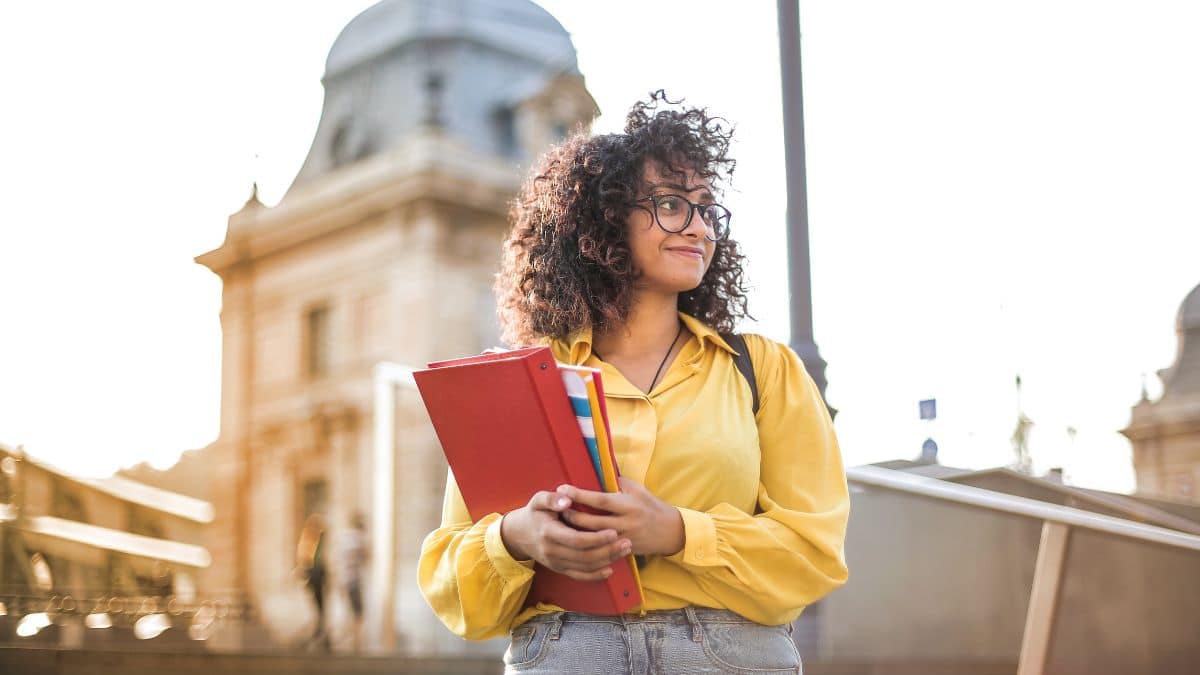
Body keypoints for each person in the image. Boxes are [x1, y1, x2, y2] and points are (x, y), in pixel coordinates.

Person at [418, 91, 849, 674]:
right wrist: (517, 538)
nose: (697, 226)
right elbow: (454, 587)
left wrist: (676, 531)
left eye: (706, 208)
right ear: (603, 219)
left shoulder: (763, 370)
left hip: (730, 655)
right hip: (567, 653)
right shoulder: (521, 382)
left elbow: (815, 554)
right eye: (671, 203)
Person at [296, 513, 329, 650]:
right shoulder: (310, 541)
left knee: (320, 608)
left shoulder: (314, 541)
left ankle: (321, 633)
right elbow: (306, 561)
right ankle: (319, 633)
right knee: (318, 607)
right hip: (315, 575)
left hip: (317, 576)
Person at [339, 511, 369, 651]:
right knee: (357, 613)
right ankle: (355, 643)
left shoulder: (345, 538)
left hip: (345, 580)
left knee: (352, 612)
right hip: (354, 581)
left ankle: (352, 642)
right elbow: (365, 556)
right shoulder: (357, 539)